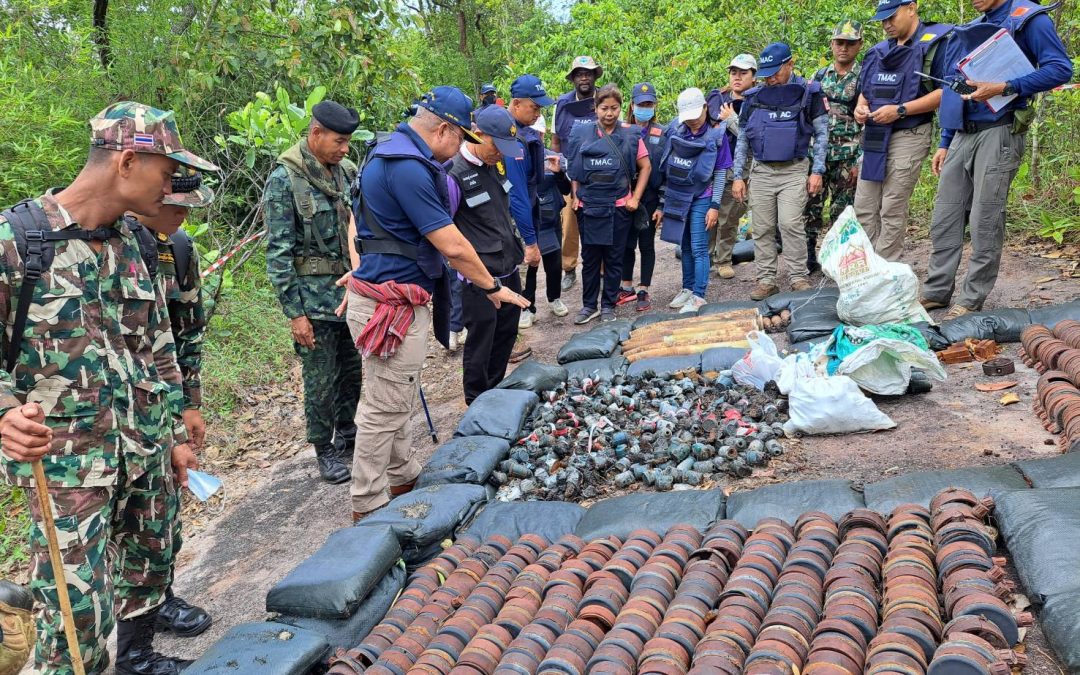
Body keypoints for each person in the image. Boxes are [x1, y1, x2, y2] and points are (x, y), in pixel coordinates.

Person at [0, 101, 215, 675]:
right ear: (127, 161)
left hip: (143, 452)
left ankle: (137, 661)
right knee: (76, 617)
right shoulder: (17, 241)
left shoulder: (133, 245)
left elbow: (157, 349)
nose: (172, 187)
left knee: (148, 570)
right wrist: (4, 415)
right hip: (69, 467)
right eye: (166, 173)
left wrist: (174, 433)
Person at [345, 86, 528, 521]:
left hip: (390, 293)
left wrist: (361, 265)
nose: (459, 145)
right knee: (383, 406)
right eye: (458, 136)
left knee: (396, 397)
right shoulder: (407, 167)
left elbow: (357, 220)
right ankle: (368, 505)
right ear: (444, 129)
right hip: (390, 305)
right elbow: (453, 245)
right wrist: (491, 287)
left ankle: (402, 477)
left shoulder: (385, 152)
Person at [923, 0, 1072, 318]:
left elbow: (1061, 68)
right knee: (945, 216)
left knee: (984, 219)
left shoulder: (1028, 19)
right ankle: (936, 291)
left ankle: (971, 297)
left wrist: (1007, 86)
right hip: (963, 132)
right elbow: (955, 87)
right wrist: (945, 140)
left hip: (999, 129)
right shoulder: (975, 25)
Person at [126, 167, 215, 642]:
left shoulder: (177, 249)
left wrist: (190, 403)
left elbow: (186, 333)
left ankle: (158, 596)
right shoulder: (113, 242)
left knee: (160, 510)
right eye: (176, 206)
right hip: (112, 408)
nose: (183, 216)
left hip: (162, 399)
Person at [264, 100, 363, 485]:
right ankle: (324, 447)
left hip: (351, 292)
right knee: (320, 379)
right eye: (339, 141)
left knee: (352, 372)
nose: (345, 149)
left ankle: (348, 431)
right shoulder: (285, 179)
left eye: (348, 142)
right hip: (312, 300)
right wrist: (295, 314)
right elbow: (278, 253)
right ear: (316, 133)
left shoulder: (349, 172)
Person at [852, 0, 953, 261]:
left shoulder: (934, 45)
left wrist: (900, 110)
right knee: (864, 206)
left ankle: (885, 272)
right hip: (874, 136)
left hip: (908, 133)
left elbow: (946, 92)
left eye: (891, 17)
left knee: (891, 207)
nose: (886, 24)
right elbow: (865, 93)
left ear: (912, 7)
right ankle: (868, 268)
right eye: (882, 20)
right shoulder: (877, 52)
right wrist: (860, 109)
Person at [732, 42, 829, 300]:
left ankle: (798, 276)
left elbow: (821, 134)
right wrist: (739, 176)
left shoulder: (809, 93)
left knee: (790, 224)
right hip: (762, 170)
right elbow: (743, 138)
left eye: (776, 71)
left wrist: (817, 170)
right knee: (762, 227)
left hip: (794, 169)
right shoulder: (754, 98)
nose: (771, 78)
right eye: (767, 73)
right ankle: (766, 279)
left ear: (790, 64)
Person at [447, 107, 528, 403]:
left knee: (506, 333)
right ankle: (476, 400)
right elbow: (446, 233)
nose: (501, 154)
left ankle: (495, 390)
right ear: (477, 135)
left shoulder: (493, 165)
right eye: (497, 146)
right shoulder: (453, 175)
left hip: (507, 267)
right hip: (478, 277)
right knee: (482, 339)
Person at [566, 84, 652, 324]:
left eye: (614, 108)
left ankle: (608, 306)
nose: (609, 113)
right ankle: (588, 306)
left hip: (619, 207)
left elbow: (646, 167)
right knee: (591, 258)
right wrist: (575, 196)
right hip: (589, 207)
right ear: (595, 108)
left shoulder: (631, 135)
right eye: (604, 108)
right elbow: (574, 169)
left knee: (615, 258)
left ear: (621, 108)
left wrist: (635, 198)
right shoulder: (581, 134)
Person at [660, 88, 733, 314]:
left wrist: (714, 206)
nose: (692, 121)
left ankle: (699, 295)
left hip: (703, 197)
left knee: (700, 246)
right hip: (679, 197)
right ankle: (687, 287)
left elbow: (721, 172)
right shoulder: (676, 131)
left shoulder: (716, 134)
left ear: (704, 108)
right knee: (684, 245)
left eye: (695, 116)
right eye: (687, 118)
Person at [805, 20, 864, 273]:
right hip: (818, 155)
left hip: (847, 156)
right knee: (811, 206)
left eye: (850, 43)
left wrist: (860, 160)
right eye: (839, 42)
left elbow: (867, 123)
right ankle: (809, 257)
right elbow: (805, 115)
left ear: (859, 45)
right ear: (831, 44)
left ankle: (840, 260)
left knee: (843, 211)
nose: (844, 48)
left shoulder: (864, 78)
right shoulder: (818, 78)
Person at [504, 74, 552, 330]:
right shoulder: (511, 140)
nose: (537, 113)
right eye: (534, 108)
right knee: (519, 268)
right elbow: (517, 194)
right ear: (517, 103)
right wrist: (531, 241)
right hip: (512, 220)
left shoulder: (522, 133)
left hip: (527, 210)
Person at [552, 55, 603, 293]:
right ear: (573, 78)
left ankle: (601, 270)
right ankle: (569, 269)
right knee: (569, 225)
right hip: (569, 173)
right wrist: (556, 171)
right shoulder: (561, 105)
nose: (584, 77)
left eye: (588, 73)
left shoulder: (606, 99)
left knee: (598, 221)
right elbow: (555, 140)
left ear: (594, 76)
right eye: (579, 73)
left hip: (599, 173)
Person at [707, 54, 757, 280]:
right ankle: (705, 258)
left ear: (754, 77)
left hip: (739, 167)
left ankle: (724, 259)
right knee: (707, 214)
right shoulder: (716, 97)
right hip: (712, 165)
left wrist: (732, 119)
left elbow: (755, 140)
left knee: (729, 216)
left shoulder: (756, 102)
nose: (737, 77)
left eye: (743, 73)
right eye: (734, 72)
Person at [616, 82, 665, 312]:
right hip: (625, 197)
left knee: (646, 244)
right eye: (641, 104)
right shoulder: (620, 130)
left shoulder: (661, 134)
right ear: (632, 105)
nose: (645, 108)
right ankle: (626, 286)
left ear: (655, 106)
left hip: (650, 198)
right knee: (626, 243)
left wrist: (662, 204)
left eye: (649, 104)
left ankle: (644, 287)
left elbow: (666, 171)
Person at [527, 125, 573, 322]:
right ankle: (527, 307)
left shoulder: (553, 157)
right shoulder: (513, 158)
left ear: (542, 134)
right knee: (529, 267)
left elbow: (566, 189)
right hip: (527, 221)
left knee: (553, 264)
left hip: (551, 219)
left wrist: (559, 173)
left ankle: (554, 298)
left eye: (536, 132)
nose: (533, 136)